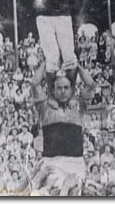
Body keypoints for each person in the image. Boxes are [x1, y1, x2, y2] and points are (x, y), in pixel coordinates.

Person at [31, 61, 94, 196]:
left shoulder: (78, 106)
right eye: (59, 88)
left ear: (71, 89)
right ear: (53, 89)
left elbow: (90, 84)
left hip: (76, 163)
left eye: (66, 87)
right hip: (52, 164)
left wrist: (76, 65)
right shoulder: (45, 107)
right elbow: (34, 83)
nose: (63, 91)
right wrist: (46, 62)